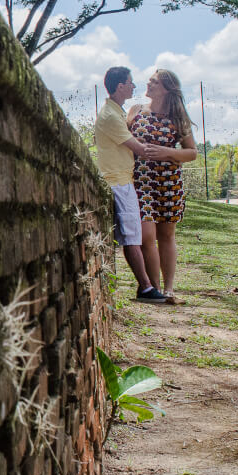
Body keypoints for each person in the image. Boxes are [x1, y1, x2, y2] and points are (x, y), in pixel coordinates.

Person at [94, 66, 168, 303]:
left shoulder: (116, 112)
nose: (134, 86)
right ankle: (145, 287)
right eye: (130, 82)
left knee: (132, 236)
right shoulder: (110, 116)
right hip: (118, 182)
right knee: (132, 237)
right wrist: (170, 152)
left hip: (123, 179)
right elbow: (138, 149)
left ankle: (146, 286)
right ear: (120, 87)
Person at [126, 69, 197, 300]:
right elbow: (121, 138)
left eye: (154, 82)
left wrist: (166, 152)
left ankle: (168, 289)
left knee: (166, 236)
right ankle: (153, 288)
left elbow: (192, 152)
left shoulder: (178, 117)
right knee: (146, 235)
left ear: (167, 88)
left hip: (169, 183)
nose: (149, 84)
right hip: (141, 181)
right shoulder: (136, 111)